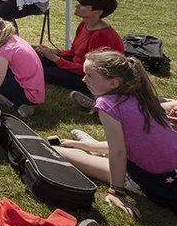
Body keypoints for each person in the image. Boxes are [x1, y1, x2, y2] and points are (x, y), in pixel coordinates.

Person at [52, 50, 177, 216]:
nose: (84, 79)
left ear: (113, 83)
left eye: (89, 75)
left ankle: (85, 149)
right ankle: (82, 143)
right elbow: (134, 144)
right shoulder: (139, 95)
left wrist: (116, 191)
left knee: (55, 151)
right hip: (164, 169)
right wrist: (78, 144)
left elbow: (119, 151)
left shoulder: (107, 103)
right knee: (80, 148)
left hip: (150, 179)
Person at [35, 0, 123, 97]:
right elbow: (73, 52)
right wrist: (54, 52)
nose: (77, 6)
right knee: (36, 57)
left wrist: (55, 58)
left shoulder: (101, 35)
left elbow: (90, 70)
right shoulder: (84, 24)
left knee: (41, 71)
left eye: (83, 5)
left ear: (98, 12)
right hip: (78, 65)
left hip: (90, 77)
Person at [0, 15, 45, 118]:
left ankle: (11, 102)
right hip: (36, 92)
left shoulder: (5, 49)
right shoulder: (12, 38)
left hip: (28, 96)